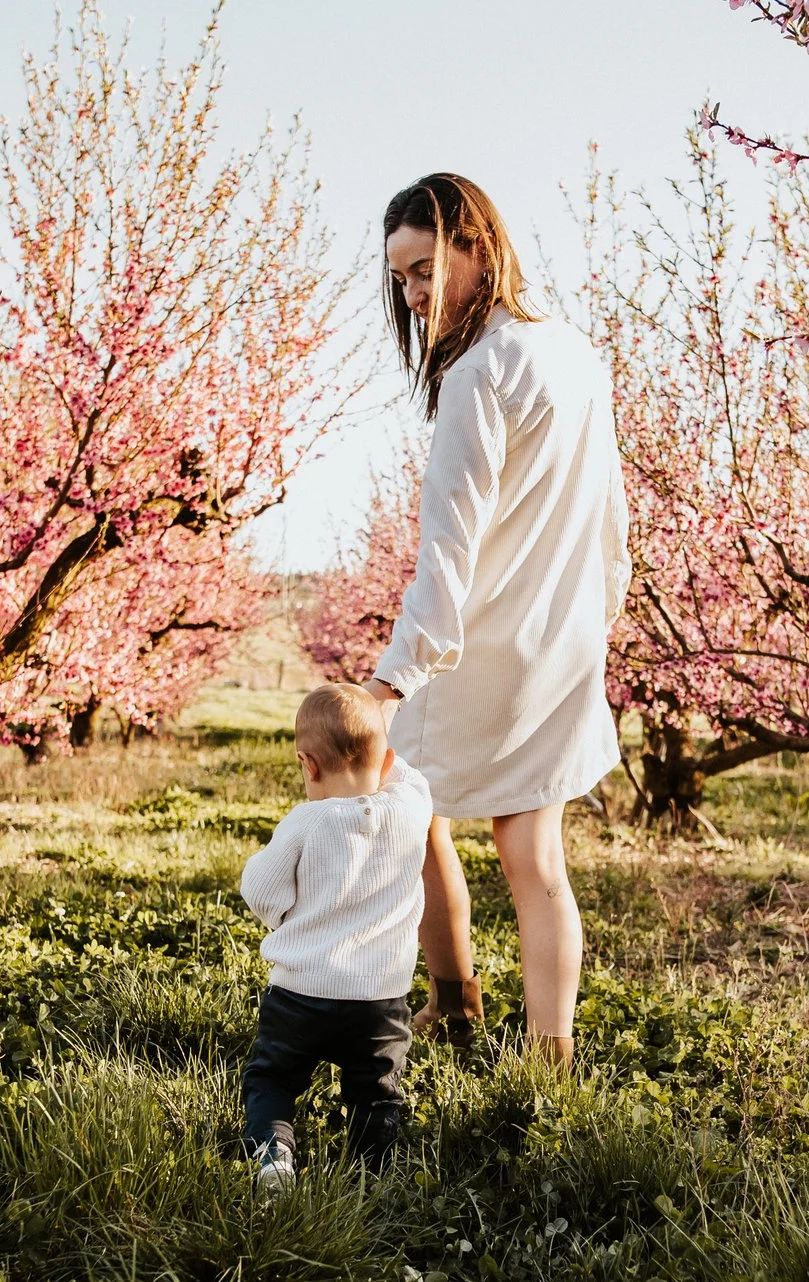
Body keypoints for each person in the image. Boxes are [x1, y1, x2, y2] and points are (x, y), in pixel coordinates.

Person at [362, 173, 630, 1066]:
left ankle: (455, 1002)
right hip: (561, 645)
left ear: (478, 245)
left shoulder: (476, 375)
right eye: (400, 278)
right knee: (536, 861)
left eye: (426, 267)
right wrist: (601, 619)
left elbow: (449, 547)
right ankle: (551, 1060)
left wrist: (396, 673)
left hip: (477, 652)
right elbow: (611, 516)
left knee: (408, 799)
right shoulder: (576, 354)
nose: (414, 293)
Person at [238, 683, 433, 1192]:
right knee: (376, 1093)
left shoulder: (305, 821)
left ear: (308, 764)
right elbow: (408, 774)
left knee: (272, 1078)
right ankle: (372, 1175)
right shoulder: (412, 807)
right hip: (380, 999)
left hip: (300, 993)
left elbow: (260, 888)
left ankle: (274, 1157)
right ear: (386, 759)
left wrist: (286, 918)